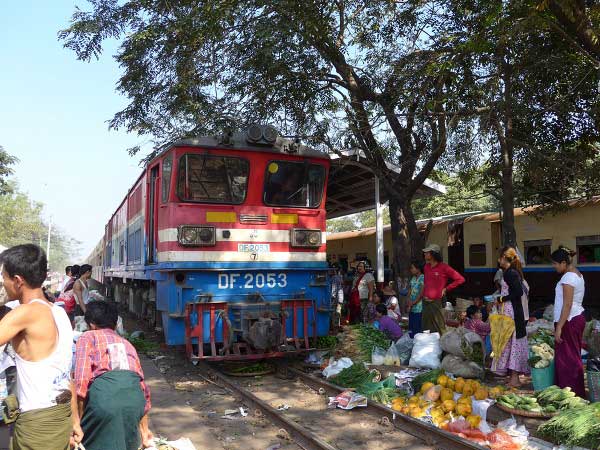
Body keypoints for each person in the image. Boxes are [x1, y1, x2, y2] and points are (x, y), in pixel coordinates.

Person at [0, 244, 74, 450]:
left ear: (17, 281)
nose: (2, 284)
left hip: (37, 423)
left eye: (4, 277)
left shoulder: (25, 313)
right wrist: (75, 422)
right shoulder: (58, 312)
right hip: (61, 414)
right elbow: (69, 376)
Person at [73, 301, 153, 450]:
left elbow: (81, 381)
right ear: (115, 325)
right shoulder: (127, 344)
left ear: (90, 324)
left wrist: (78, 422)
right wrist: (144, 430)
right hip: (134, 402)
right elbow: (143, 389)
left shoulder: (88, 337)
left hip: (103, 402)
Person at [551, 246, 586, 397]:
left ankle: (571, 394)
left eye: (555, 264)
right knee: (571, 356)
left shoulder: (568, 278)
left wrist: (559, 326)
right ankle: (573, 393)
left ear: (564, 263)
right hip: (574, 318)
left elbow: (567, 304)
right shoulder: (576, 274)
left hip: (569, 321)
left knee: (568, 359)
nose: (554, 267)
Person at [493, 247, 529, 387]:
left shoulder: (509, 273)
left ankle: (515, 379)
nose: (498, 260)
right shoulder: (512, 272)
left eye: (499, 258)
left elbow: (518, 292)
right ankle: (514, 378)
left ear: (504, 258)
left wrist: (501, 299)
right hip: (512, 313)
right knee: (511, 344)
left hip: (512, 314)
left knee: (513, 344)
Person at [422, 244, 465, 334]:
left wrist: (446, 289)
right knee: (426, 328)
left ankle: (443, 347)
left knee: (440, 328)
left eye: (427, 252)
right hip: (425, 302)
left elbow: (460, 279)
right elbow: (426, 284)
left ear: (433, 254)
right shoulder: (426, 267)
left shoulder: (444, 267)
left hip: (437, 302)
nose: (425, 254)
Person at [407, 261, 424, 337]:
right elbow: (410, 290)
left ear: (418, 269)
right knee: (411, 326)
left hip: (419, 306)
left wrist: (413, 303)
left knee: (417, 327)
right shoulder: (413, 278)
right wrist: (408, 301)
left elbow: (421, 294)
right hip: (411, 305)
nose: (411, 269)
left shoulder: (423, 278)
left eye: (412, 268)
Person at [329, 264, 344, 331]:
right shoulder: (340, 277)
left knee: (334, 313)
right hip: (340, 297)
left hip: (335, 298)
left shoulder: (335, 277)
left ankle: (335, 327)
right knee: (338, 312)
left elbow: (334, 289)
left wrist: (332, 297)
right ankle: (336, 326)